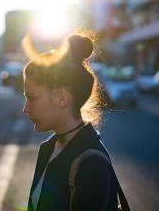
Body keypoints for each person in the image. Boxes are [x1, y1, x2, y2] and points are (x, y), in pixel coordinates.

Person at [22, 31, 119, 211]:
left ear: (61, 98)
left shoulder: (92, 163)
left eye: (32, 98)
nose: (25, 108)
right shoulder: (49, 148)